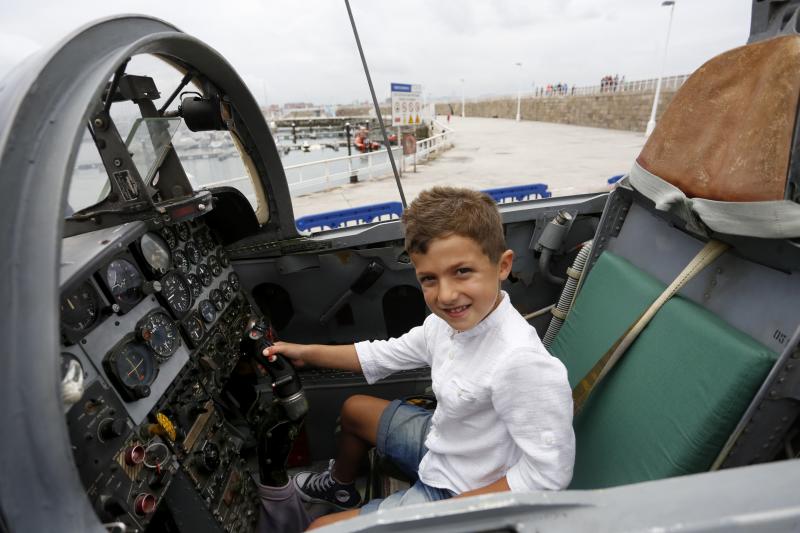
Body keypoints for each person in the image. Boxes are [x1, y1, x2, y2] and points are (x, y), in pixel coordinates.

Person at [264, 187, 575, 530]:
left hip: (463, 488)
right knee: (355, 410)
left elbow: (549, 474)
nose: (446, 295)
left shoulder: (520, 361)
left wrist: (451, 511)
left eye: (462, 271)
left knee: (317, 530)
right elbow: (381, 355)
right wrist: (306, 353)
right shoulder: (444, 325)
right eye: (429, 279)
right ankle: (340, 487)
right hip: (444, 444)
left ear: (503, 266)